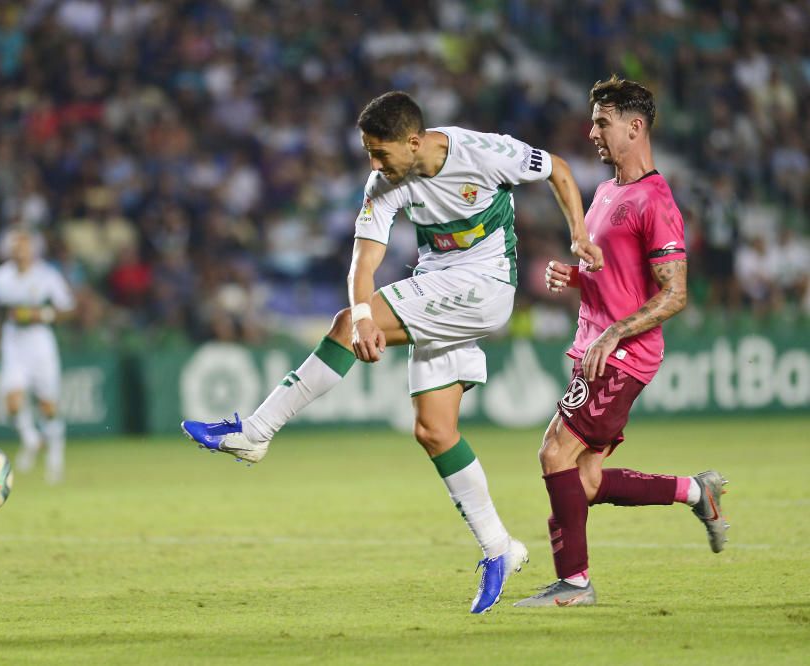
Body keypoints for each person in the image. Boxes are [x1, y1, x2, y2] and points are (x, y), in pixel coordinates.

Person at [183, 91, 603, 614]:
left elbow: (559, 169)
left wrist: (579, 236)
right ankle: (500, 548)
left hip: (487, 286)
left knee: (343, 325)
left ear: (413, 141)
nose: (373, 164)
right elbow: (363, 262)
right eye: (367, 153)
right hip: (437, 286)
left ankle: (256, 433)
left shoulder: (482, 151)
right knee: (433, 430)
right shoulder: (385, 182)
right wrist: (363, 317)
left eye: (380, 153)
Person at [514, 76, 728, 608]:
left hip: (621, 354)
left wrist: (614, 331)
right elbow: (619, 278)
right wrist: (579, 278)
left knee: (553, 452)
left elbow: (674, 294)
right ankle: (697, 491)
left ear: (635, 128)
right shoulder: (607, 192)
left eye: (602, 123)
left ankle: (575, 584)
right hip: (594, 347)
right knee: (583, 480)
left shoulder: (656, 201)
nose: (591, 133)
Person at [0, 228, 74, 484]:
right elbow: (0, 311)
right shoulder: (1, 276)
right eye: (15, 248)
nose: (20, 252)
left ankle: (55, 457)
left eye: (24, 247)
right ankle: (31, 439)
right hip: (14, 343)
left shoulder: (47, 275)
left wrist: (42, 315)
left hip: (40, 343)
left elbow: (67, 309)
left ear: (32, 250)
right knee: (12, 402)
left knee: (48, 405)